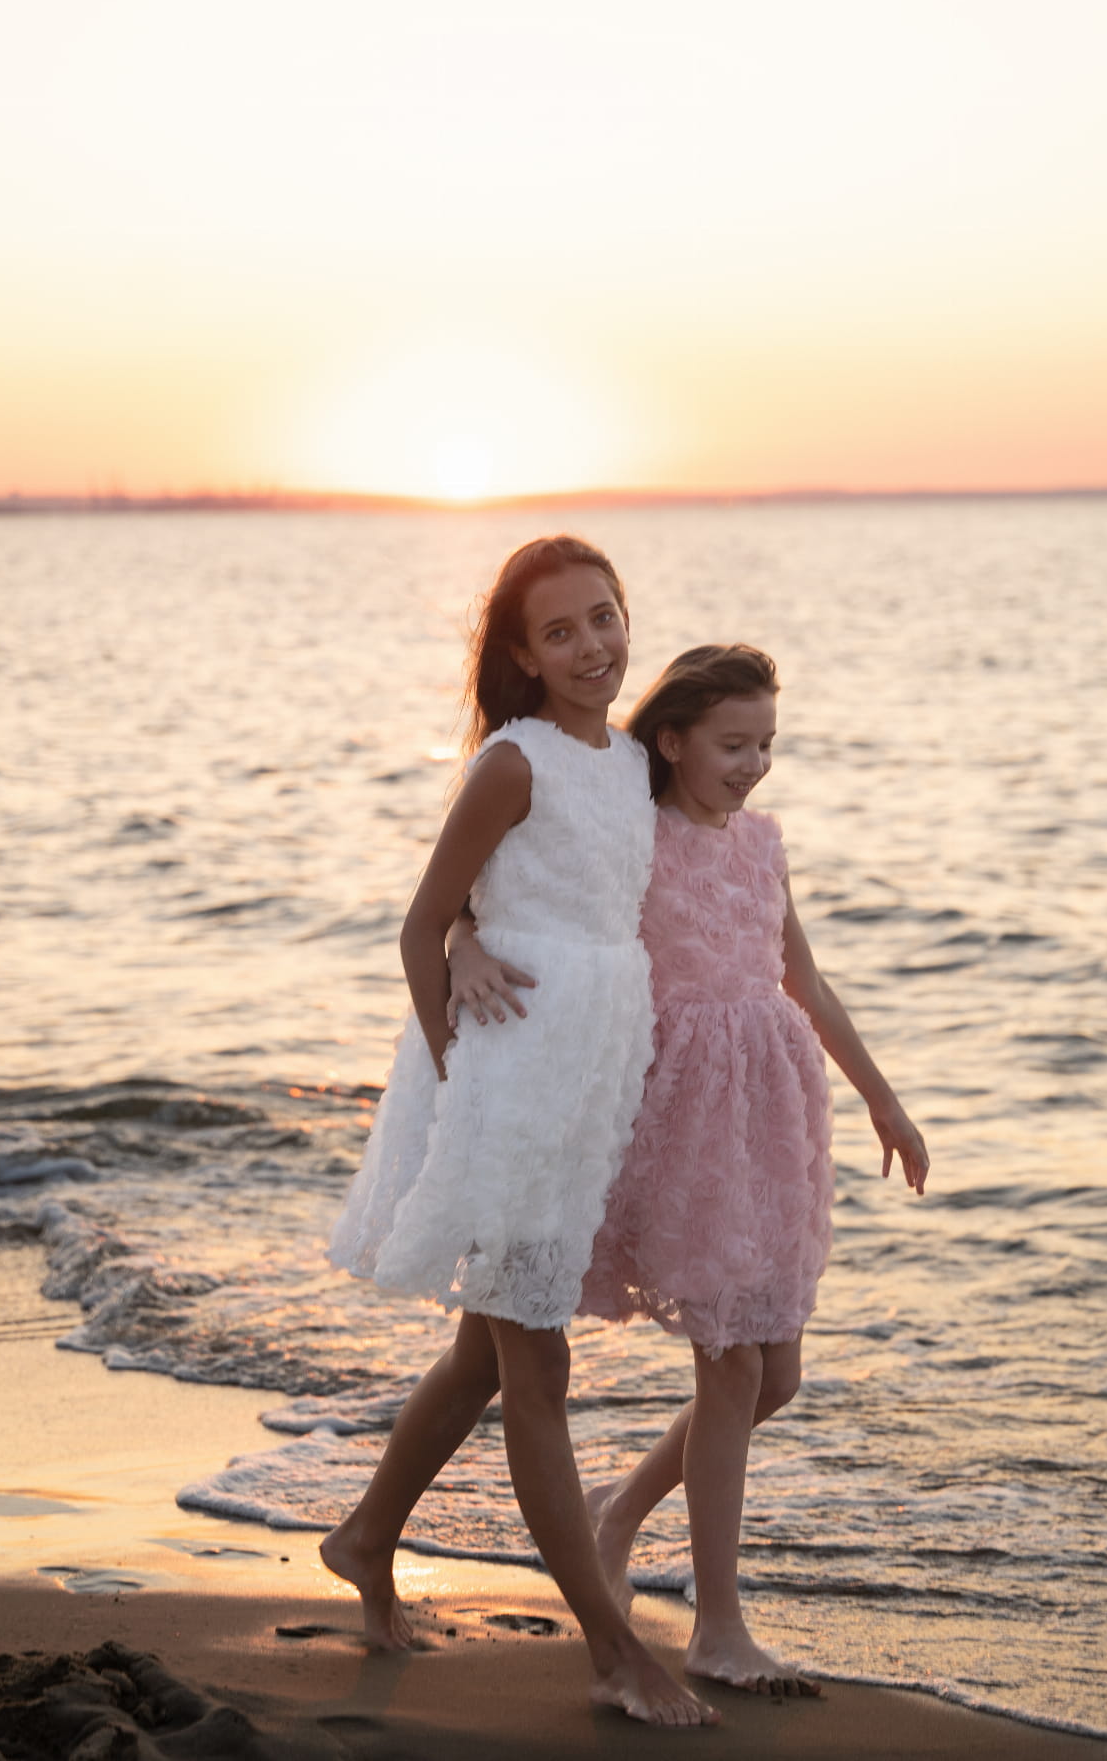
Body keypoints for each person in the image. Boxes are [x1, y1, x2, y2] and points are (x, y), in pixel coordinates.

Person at [455, 644, 929, 1700]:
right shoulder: (635, 836)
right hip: (681, 1120)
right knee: (732, 1369)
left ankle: (618, 1514)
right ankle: (719, 1626)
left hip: (768, 1117)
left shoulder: (762, 844)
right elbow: (507, 893)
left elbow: (803, 976)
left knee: (776, 1375)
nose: (754, 764)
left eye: (766, 743)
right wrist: (456, 942)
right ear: (670, 741)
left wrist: (882, 1097)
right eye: (733, 744)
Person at [324, 536, 715, 1729]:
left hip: (584, 1085)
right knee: (536, 1366)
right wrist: (463, 1089)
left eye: (605, 617)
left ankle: (365, 1535)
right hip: (501, 1087)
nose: (593, 646)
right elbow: (422, 923)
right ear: (521, 654)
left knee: (485, 1358)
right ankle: (612, 1647)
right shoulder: (513, 761)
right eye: (560, 631)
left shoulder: (632, 761)